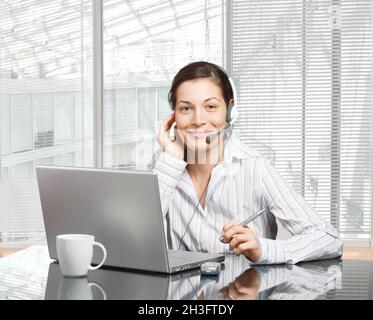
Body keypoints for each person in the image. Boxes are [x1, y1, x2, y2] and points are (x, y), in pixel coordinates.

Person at [152, 61, 343, 265]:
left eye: (211, 106)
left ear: (230, 111)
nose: (198, 119)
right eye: (186, 108)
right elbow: (132, 242)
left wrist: (263, 249)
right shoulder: (165, 167)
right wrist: (170, 161)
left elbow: (328, 239)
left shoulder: (255, 169)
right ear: (173, 118)